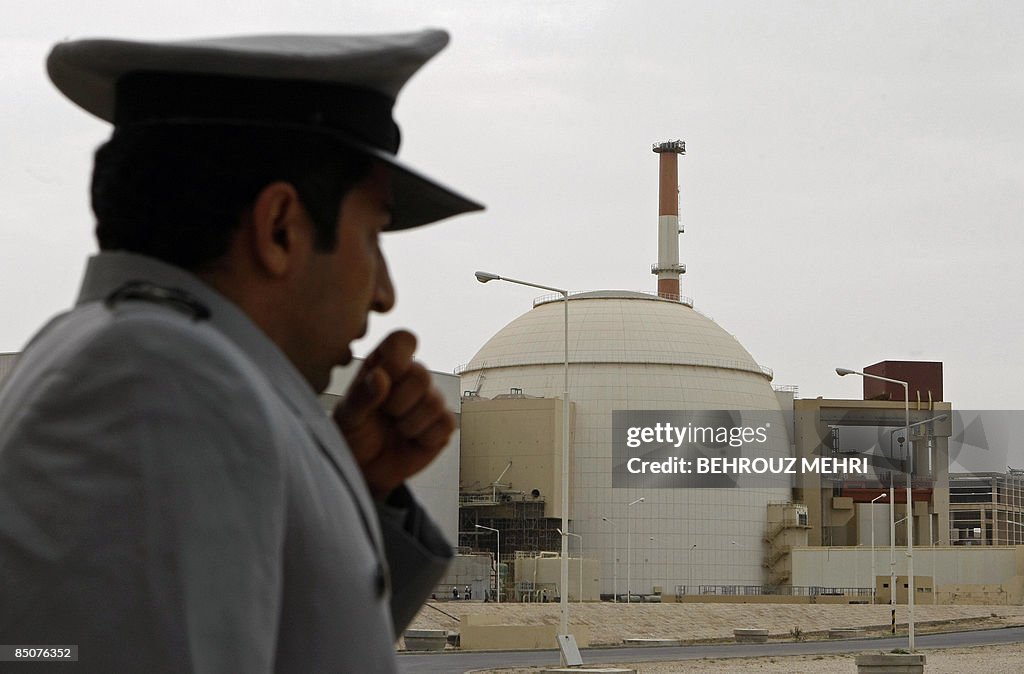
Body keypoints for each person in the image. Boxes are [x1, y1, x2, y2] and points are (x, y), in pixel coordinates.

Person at [0, 30, 482, 673]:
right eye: (372, 236)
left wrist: (352, 488)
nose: (385, 295)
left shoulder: (148, 362)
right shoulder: (159, 382)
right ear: (280, 227)